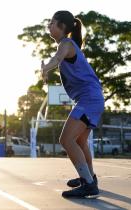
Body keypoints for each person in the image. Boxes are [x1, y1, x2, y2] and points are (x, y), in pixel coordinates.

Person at [41, 11, 104, 197]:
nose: (49, 25)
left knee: (66, 140)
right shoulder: (69, 44)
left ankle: (88, 183)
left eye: (52, 22)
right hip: (91, 99)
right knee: (79, 140)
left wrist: (45, 67)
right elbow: (59, 58)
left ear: (62, 27)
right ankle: (89, 177)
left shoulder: (66, 44)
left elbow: (58, 58)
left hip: (89, 99)